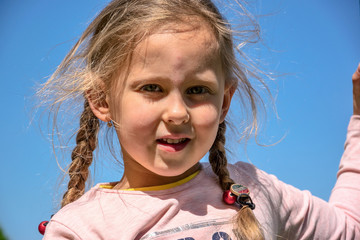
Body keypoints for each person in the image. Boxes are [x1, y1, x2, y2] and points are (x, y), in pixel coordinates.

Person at [38, 0, 360, 239]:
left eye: (197, 89)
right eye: (152, 87)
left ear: (224, 102)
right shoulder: (81, 228)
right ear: (102, 100)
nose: (178, 113)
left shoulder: (256, 191)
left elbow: (350, 228)